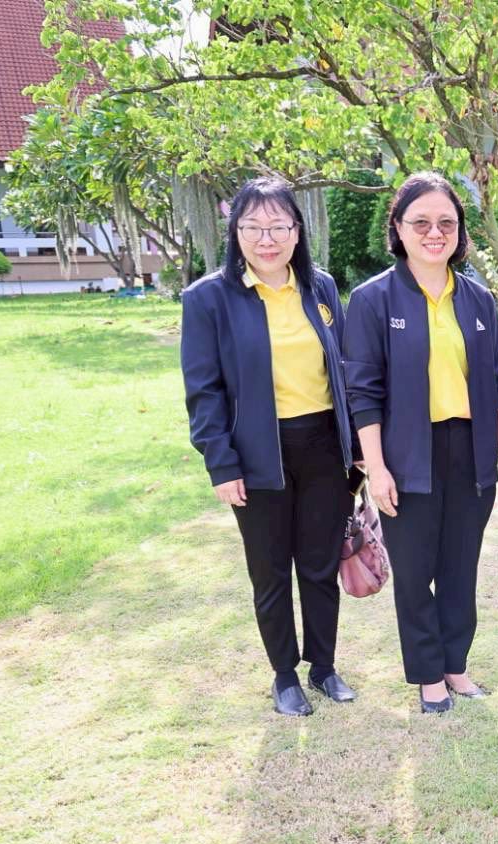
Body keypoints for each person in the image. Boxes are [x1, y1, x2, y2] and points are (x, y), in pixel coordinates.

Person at [342, 172, 498, 714]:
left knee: (461, 567)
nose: (434, 232)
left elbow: (495, 381)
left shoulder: (478, 299)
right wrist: (376, 468)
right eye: (420, 222)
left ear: (460, 230)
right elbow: (362, 392)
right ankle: (428, 676)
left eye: (446, 222)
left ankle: (456, 666)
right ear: (398, 228)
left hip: (471, 451)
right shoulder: (372, 299)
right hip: (405, 455)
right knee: (416, 571)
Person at [180, 177, 358, 717]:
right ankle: (284, 675)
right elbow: (204, 391)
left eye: (279, 226)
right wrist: (221, 464)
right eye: (253, 227)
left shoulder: (320, 288)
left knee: (320, 565)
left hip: (324, 448)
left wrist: (358, 449)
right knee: (270, 570)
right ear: (235, 232)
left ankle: (323, 666)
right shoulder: (209, 298)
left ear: (297, 231)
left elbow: (345, 371)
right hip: (257, 455)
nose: (267, 239)